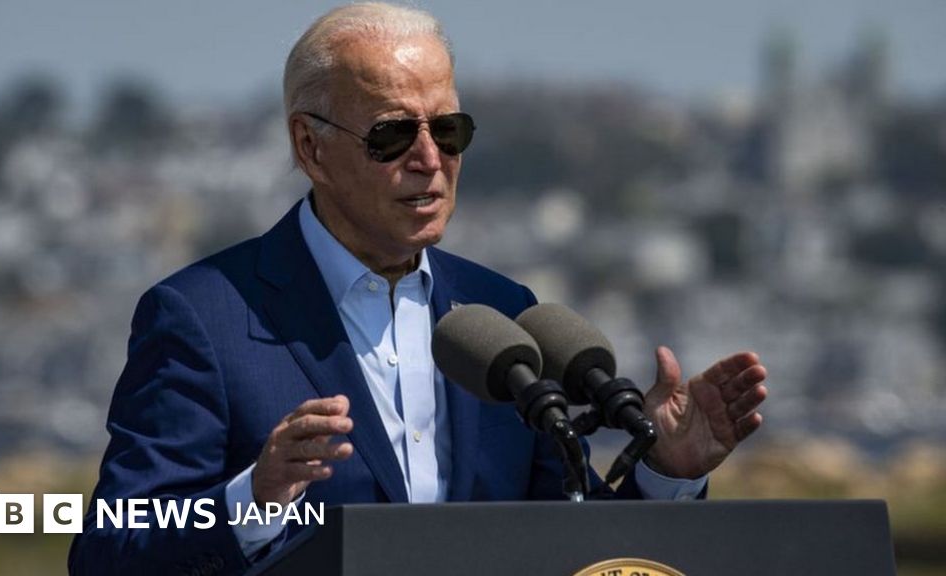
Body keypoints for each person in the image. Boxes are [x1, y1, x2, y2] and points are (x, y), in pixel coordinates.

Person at [69, 3, 768, 575]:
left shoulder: (504, 317)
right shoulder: (203, 317)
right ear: (310, 147)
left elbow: (574, 541)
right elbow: (111, 552)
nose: (429, 158)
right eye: (392, 134)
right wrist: (256, 498)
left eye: (449, 130)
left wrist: (666, 471)